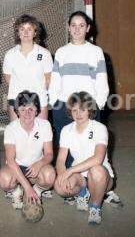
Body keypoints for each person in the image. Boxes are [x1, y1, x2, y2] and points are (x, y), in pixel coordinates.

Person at [48, 10, 121, 206]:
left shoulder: (95, 52)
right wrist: (54, 103)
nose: (77, 29)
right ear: (68, 28)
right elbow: (55, 81)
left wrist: (98, 105)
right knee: (69, 148)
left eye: (82, 25)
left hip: (88, 107)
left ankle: (101, 187)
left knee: (92, 149)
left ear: (88, 28)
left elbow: (102, 82)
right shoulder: (62, 52)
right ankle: (77, 187)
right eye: (74, 25)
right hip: (64, 106)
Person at [54, 92, 115, 225]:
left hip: (102, 176)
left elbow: (98, 159)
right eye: (74, 110)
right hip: (80, 176)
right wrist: (62, 175)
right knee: (59, 188)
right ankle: (84, 191)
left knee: (96, 170)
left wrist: (69, 171)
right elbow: (60, 160)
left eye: (82, 109)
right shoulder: (66, 130)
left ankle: (95, 207)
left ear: (90, 110)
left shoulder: (100, 128)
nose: (78, 114)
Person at [0, 91, 56, 209]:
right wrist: (27, 188)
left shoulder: (45, 125)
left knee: (50, 176)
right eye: (23, 109)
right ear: (17, 111)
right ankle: (16, 191)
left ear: (37, 111)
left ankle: (38, 190)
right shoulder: (11, 128)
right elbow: (10, 160)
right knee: (4, 180)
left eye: (31, 109)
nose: (27, 113)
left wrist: (39, 163)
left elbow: (49, 154)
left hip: (37, 166)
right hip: (17, 166)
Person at [3, 14, 53, 121]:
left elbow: (49, 80)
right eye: (22, 29)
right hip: (16, 100)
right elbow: (8, 79)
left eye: (29, 29)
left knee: (40, 136)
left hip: (40, 101)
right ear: (18, 32)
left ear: (35, 33)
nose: (25, 32)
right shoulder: (10, 54)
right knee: (17, 135)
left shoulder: (45, 54)